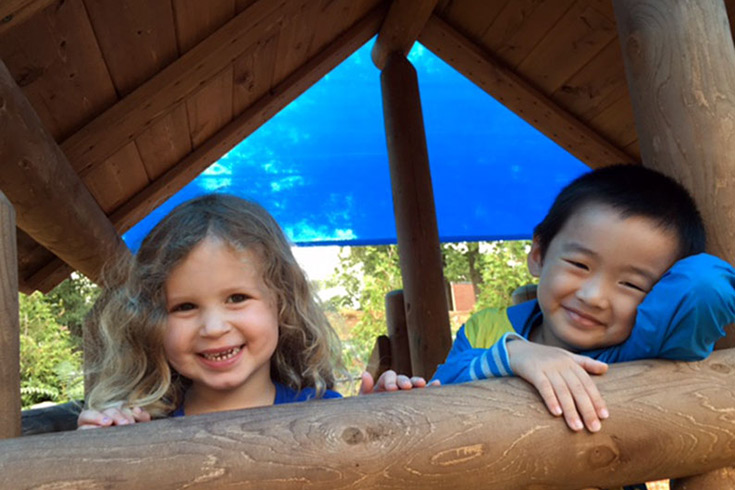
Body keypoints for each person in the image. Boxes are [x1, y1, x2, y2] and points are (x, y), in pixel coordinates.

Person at [432, 165, 735, 434]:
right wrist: (517, 355)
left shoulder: (633, 353)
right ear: (538, 255)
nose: (593, 297)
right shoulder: (489, 327)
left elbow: (705, 285)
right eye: (579, 265)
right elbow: (441, 388)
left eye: (631, 284)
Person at [78, 194, 424, 428]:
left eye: (237, 298)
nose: (213, 327)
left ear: (282, 304)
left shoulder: (325, 413)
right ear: (150, 322)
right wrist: (99, 452)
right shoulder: (143, 429)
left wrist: (373, 419)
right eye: (184, 306)